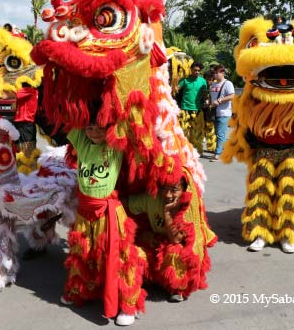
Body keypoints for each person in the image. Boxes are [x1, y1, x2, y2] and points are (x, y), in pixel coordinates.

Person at [61, 112, 146, 326]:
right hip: (84, 211)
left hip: (109, 213)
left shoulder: (114, 145)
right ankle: (81, 292)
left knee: (120, 258)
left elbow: (126, 120)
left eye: (99, 127)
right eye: (89, 128)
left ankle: (127, 304)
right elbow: (70, 115)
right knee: (83, 253)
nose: (94, 132)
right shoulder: (81, 141)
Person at [125, 167, 216, 302]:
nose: (167, 195)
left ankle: (176, 288)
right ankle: (155, 278)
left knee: (174, 251)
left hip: (179, 248)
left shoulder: (188, 206)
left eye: (174, 190)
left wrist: (167, 213)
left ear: (184, 190)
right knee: (132, 252)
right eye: (164, 188)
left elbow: (176, 239)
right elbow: (125, 202)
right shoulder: (152, 198)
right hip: (156, 242)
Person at [177, 62, 207, 154]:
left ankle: (194, 150)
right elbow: (176, 89)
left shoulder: (202, 81)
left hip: (197, 109)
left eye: (198, 71)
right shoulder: (185, 80)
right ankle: (182, 149)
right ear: (191, 70)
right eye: (195, 70)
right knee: (183, 131)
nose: (197, 72)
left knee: (196, 132)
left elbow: (205, 94)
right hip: (185, 109)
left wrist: (206, 101)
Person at [209, 64, 235, 161]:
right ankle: (224, 150)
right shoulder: (213, 84)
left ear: (222, 73)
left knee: (220, 134)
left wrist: (219, 100)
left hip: (224, 113)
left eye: (217, 73)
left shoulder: (228, 83)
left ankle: (218, 153)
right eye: (214, 73)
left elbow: (232, 96)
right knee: (217, 133)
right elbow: (211, 96)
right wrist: (209, 101)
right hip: (214, 113)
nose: (215, 75)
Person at [201, 70, 216, 153]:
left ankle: (211, 147)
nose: (209, 81)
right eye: (207, 79)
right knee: (202, 127)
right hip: (203, 109)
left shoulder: (215, 86)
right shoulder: (202, 85)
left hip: (211, 110)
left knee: (211, 128)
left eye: (211, 79)